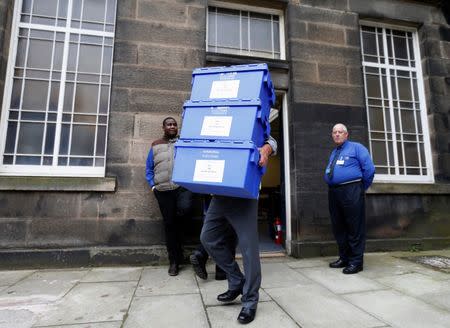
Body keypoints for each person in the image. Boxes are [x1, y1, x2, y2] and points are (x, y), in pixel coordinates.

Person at [200, 136, 277, 325]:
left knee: (248, 250)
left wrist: (266, 149)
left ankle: (250, 300)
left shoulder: (248, 111)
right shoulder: (214, 116)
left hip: (244, 193)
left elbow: (271, 140)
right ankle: (236, 280)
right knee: (208, 237)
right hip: (220, 192)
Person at [324, 123, 375, 274]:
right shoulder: (334, 152)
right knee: (339, 226)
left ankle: (356, 262)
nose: (337, 134)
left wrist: (360, 188)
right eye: (334, 132)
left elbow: (369, 169)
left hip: (352, 189)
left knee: (354, 227)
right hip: (334, 192)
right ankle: (344, 258)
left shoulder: (356, 148)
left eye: (340, 132)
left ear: (346, 135)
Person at [146, 117, 193, 276]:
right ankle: (174, 261)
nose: (172, 126)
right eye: (169, 124)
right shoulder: (155, 145)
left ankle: (180, 251)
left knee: (185, 212)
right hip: (163, 191)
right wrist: (153, 186)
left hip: (182, 188)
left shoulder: (183, 143)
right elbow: (149, 169)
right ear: (163, 127)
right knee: (169, 225)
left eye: (174, 124)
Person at [189, 195, 236, 281]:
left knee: (213, 222)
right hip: (229, 189)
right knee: (229, 223)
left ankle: (201, 253)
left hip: (210, 188)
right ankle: (222, 271)